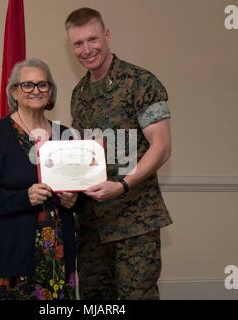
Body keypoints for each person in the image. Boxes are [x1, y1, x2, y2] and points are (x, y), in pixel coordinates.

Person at [65, 8, 173, 299]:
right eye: (78, 43)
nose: (87, 50)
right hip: (91, 227)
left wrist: (122, 184)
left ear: (107, 36)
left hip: (134, 223)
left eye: (93, 39)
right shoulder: (79, 94)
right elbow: (84, 155)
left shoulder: (140, 82)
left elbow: (161, 146)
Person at [0, 58, 78, 300]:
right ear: (14, 91)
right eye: (27, 85)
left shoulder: (66, 135)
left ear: (50, 92)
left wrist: (74, 200)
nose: (36, 90)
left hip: (56, 259)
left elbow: (81, 191)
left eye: (43, 85)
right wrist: (24, 197)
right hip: (8, 257)